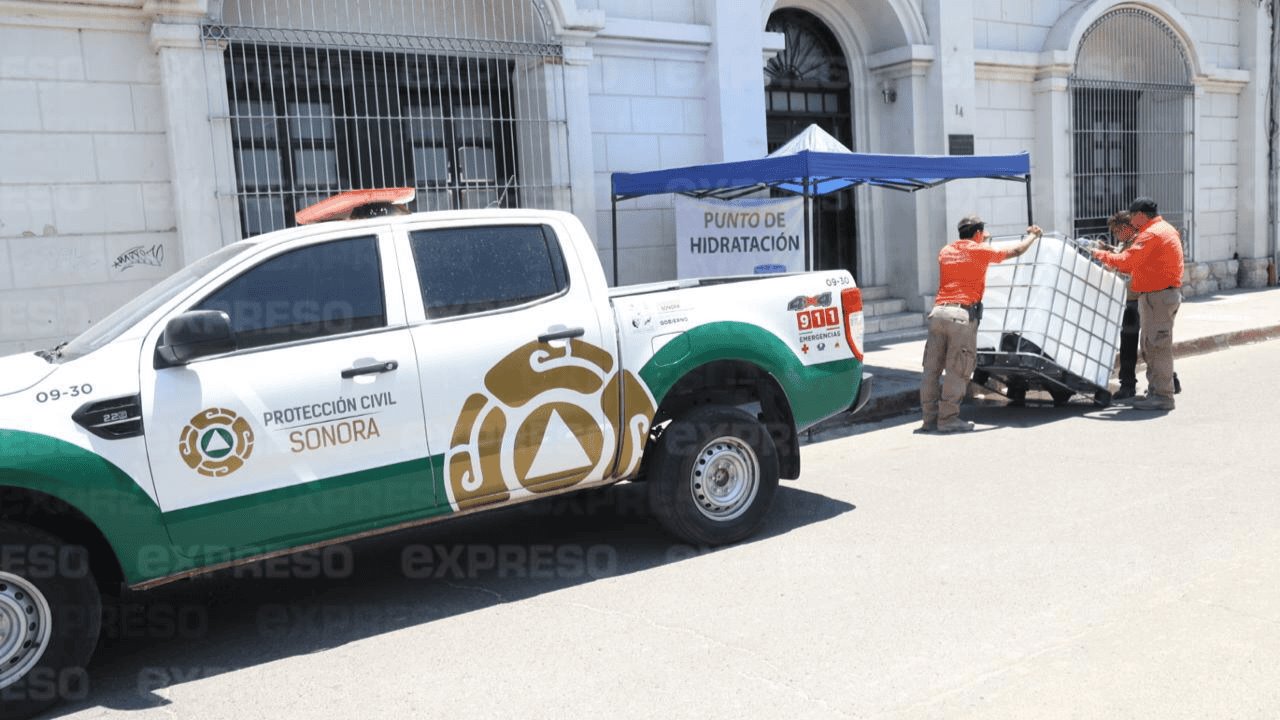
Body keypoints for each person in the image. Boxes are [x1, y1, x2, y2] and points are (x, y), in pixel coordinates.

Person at [920, 215, 1041, 433]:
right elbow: (1016, 251)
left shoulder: (946, 251)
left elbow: (970, 252)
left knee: (931, 370)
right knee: (957, 369)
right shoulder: (979, 251)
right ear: (978, 234)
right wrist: (1032, 235)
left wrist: (982, 239)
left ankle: (929, 420)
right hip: (960, 315)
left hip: (937, 313)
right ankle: (948, 420)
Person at [1092, 197, 1184, 411]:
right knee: (1152, 346)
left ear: (1141, 214)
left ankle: (1162, 396)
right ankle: (1156, 392)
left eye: (1133, 217)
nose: (1131, 222)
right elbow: (1136, 262)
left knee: (1158, 346)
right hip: (1157, 295)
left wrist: (1098, 254)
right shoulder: (1164, 229)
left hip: (1157, 297)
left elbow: (1126, 262)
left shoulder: (1151, 234)